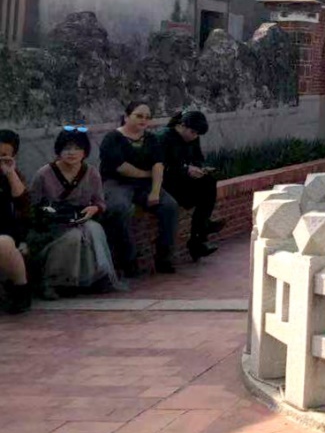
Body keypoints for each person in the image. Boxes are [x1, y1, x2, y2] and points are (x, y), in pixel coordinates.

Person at [27, 127, 120, 297]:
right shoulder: (44, 174)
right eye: (67, 148)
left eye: (77, 148)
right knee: (74, 236)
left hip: (79, 218)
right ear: (59, 150)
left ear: (85, 151)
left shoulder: (91, 173)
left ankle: (96, 278)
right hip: (52, 224)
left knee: (94, 229)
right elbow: (32, 205)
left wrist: (94, 208)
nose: (72, 153)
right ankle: (56, 282)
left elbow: (100, 202)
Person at [100, 102, 179, 274]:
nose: (143, 120)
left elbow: (158, 165)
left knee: (170, 206)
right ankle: (128, 260)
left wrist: (155, 191)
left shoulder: (152, 139)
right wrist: (146, 174)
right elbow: (121, 167)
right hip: (117, 183)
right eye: (139, 116)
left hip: (145, 185)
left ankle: (164, 258)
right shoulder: (112, 138)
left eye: (147, 117)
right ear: (127, 117)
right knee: (119, 208)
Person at [156, 110, 223, 260]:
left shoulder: (193, 139)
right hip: (165, 184)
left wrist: (201, 168)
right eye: (192, 132)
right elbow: (159, 167)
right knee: (204, 193)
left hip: (182, 181)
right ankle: (203, 229)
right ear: (182, 125)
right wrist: (186, 169)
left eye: (197, 134)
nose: (194, 136)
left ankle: (197, 240)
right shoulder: (163, 137)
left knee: (209, 182)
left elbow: (198, 158)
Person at [0, 129, 31, 313]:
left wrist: (10, 173)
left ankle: (21, 289)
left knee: (2, 243)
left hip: (7, 231)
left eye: (4, 155)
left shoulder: (12, 176)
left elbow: (22, 202)